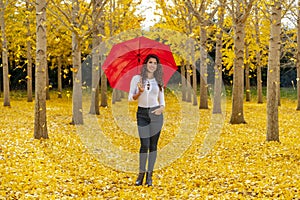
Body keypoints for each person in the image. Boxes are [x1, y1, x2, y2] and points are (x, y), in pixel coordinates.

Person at [128, 54, 165, 186]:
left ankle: (150, 176)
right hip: (142, 114)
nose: (152, 65)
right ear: (145, 64)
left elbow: (162, 101)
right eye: (150, 62)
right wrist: (139, 92)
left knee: (153, 146)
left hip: (156, 114)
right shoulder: (137, 79)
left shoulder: (158, 80)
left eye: (155, 63)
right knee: (145, 145)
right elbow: (130, 98)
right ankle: (141, 174)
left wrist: (161, 109)